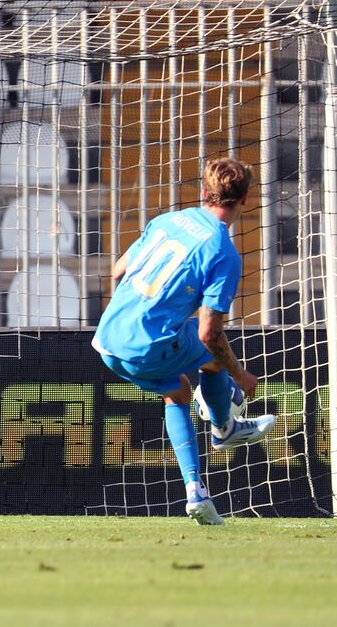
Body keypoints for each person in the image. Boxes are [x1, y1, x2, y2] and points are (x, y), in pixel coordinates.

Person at [92, 157, 276, 526]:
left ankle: (196, 493)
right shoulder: (222, 252)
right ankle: (224, 427)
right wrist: (240, 376)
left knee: (177, 391)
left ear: (205, 191)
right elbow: (210, 332)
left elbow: (118, 270)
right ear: (244, 200)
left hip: (107, 340)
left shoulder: (166, 221)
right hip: (149, 344)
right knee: (211, 353)